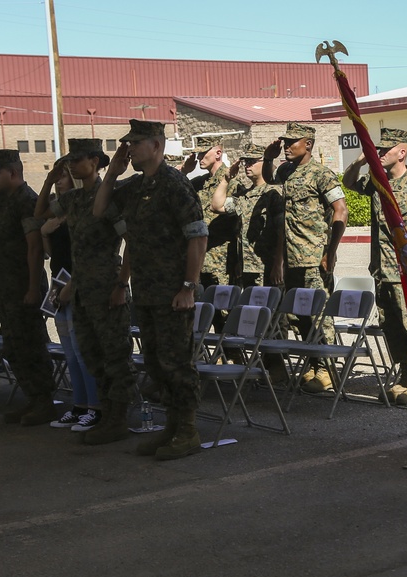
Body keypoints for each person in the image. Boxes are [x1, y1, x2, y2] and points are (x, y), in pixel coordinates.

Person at [94, 119, 208, 460]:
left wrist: (189, 287)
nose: (129, 148)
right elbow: (99, 210)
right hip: (146, 292)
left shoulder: (174, 185)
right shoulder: (134, 187)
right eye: (127, 142)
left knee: (177, 363)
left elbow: (198, 236)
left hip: (174, 294)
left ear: (156, 145)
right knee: (157, 364)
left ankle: (187, 430)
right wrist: (112, 173)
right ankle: (171, 428)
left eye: (136, 142)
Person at [37, 138, 135, 444]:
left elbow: (129, 240)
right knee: (92, 355)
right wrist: (48, 181)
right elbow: (40, 213)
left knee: (115, 356)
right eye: (68, 161)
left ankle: (118, 418)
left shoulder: (109, 197)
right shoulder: (73, 200)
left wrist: (121, 284)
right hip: (81, 289)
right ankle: (103, 414)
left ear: (94, 161)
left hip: (107, 287)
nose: (71, 166)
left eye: (76, 160)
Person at [342, 127, 407, 405]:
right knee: (391, 325)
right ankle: (405, 375)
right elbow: (349, 183)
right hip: (381, 269)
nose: (381, 153)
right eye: (379, 149)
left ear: (402, 151)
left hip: (406, 271)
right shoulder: (377, 182)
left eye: (386, 149)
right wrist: (360, 161)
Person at [262, 122, 348, 393]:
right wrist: (268, 158)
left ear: (308, 143)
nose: (287, 146)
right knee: (301, 315)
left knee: (321, 316)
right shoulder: (287, 170)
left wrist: (330, 252)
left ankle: (327, 369)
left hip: (313, 257)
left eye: (292, 141)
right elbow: (269, 177)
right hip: (291, 258)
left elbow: (341, 211)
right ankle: (312, 364)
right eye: (285, 142)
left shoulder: (322, 175)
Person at [0, 149, 58, 426]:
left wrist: (32, 288)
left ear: (13, 173)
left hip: (23, 286)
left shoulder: (27, 201)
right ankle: (31, 398)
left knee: (31, 345)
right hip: (5, 286)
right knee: (13, 346)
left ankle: (44, 401)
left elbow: (34, 248)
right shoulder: (0, 200)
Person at [37, 153, 103, 432]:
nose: (58, 183)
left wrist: (72, 286)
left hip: (79, 285)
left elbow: (89, 254)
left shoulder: (85, 208)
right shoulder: (59, 209)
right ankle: (78, 405)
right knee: (70, 353)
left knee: (83, 350)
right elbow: (40, 217)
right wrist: (44, 232)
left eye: (62, 176)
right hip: (59, 283)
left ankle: (94, 407)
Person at [210, 142, 285, 289]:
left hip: (267, 267)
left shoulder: (274, 193)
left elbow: (282, 231)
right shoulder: (245, 195)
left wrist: (279, 264)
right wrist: (226, 179)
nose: (247, 166)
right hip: (248, 269)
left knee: (271, 310)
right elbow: (216, 206)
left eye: (252, 161)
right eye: (246, 162)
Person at [183, 136, 233, 292]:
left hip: (221, 261)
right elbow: (173, 190)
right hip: (200, 259)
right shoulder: (199, 183)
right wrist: (184, 171)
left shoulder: (231, 181)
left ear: (218, 153)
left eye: (203, 153)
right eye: (197, 154)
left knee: (224, 309)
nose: (198, 158)